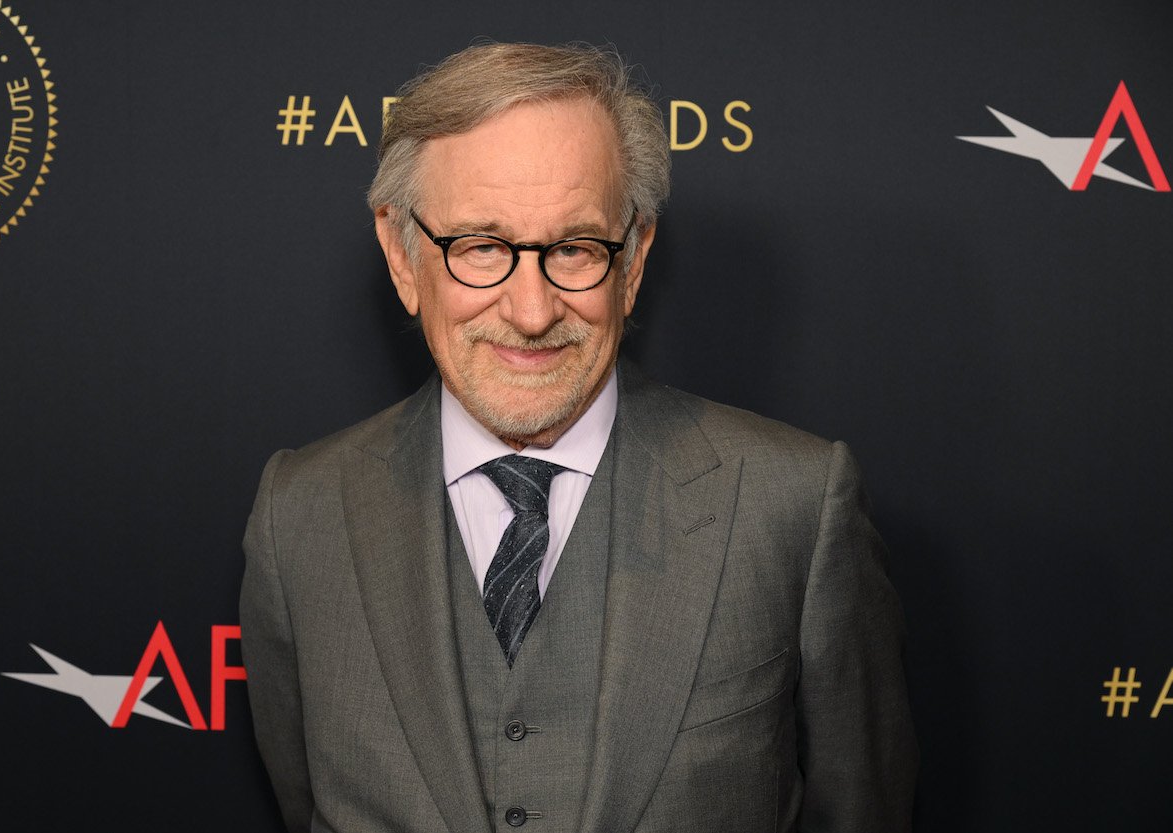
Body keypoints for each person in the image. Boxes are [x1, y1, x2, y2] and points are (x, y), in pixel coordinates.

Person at [241, 41, 917, 833]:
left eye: (574, 249)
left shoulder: (794, 507)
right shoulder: (301, 516)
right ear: (401, 254)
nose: (531, 312)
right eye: (481, 247)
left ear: (632, 261)